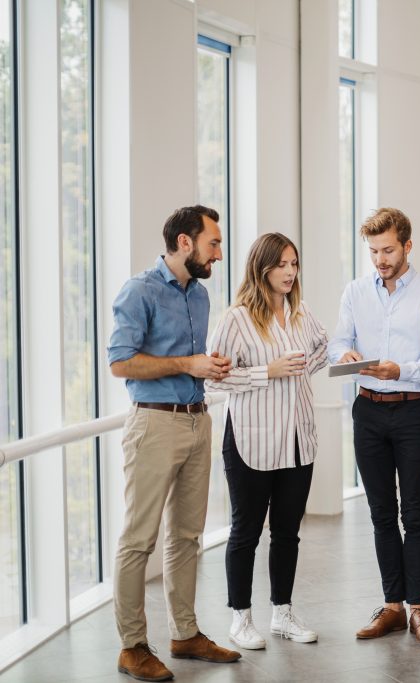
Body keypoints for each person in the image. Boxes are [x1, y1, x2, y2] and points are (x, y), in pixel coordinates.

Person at [108, 206, 241, 682]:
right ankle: (132, 646)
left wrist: (208, 366)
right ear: (185, 243)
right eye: (214, 243)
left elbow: (190, 361)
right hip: (154, 425)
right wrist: (188, 364)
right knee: (138, 539)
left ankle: (185, 634)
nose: (218, 254)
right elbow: (121, 364)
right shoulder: (139, 290)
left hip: (196, 421)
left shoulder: (200, 296)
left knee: (187, 537)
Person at [327, 207, 420, 645]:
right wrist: (342, 355)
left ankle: (419, 608)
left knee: (413, 513)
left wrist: (399, 370)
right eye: (374, 251)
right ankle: (393, 606)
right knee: (380, 514)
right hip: (368, 412)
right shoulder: (356, 292)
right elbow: (338, 341)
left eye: (388, 250)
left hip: (412, 411)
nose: (380, 258)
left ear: (407, 247)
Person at [205, 232, 329, 650]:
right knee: (246, 533)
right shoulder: (236, 319)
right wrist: (267, 372)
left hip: (298, 439)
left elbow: (322, 347)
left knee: (288, 532)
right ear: (262, 268)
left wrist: (302, 366)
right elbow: (212, 379)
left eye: (294, 264)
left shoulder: (300, 311)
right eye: (282, 264)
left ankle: (282, 613)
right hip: (251, 442)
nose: (290, 272)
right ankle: (240, 618)